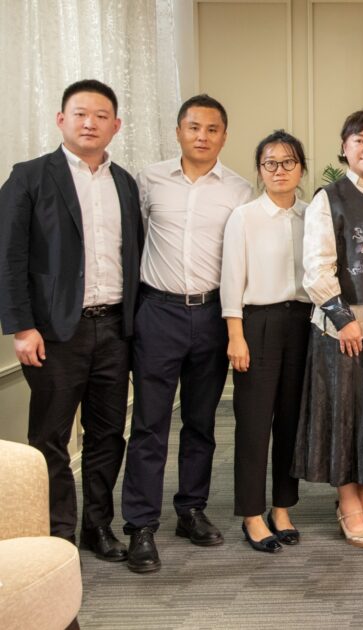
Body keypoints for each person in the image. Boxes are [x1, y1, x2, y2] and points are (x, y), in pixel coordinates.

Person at [0, 80, 141, 561]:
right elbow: (8, 256)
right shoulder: (30, 177)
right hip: (54, 332)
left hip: (115, 328)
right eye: (80, 114)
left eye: (101, 116)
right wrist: (22, 326)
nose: (89, 123)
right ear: (61, 120)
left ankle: (97, 526)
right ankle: (58, 531)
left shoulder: (125, 183)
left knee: (108, 433)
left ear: (115, 126)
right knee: (50, 437)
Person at [121, 94, 254, 573]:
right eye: (194, 127)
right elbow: (131, 242)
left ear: (224, 136)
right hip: (158, 312)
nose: (202, 136)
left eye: (212, 129)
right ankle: (140, 525)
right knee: (150, 423)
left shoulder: (239, 190)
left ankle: (191, 510)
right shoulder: (149, 180)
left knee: (200, 421)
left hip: (212, 314)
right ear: (178, 131)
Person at [292, 110, 363, 550]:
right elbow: (317, 267)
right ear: (344, 147)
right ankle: (348, 504)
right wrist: (343, 319)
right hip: (344, 329)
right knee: (344, 414)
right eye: (358, 140)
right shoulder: (330, 197)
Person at [220, 130, 312, 553]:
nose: (279, 170)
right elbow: (231, 281)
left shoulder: (312, 215)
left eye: (288, 162)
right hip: (257, 323)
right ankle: (252, 514)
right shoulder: (245, 217)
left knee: (291, 422)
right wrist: (235, 336)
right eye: (270, 163)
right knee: (255, 423)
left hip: (303, 324)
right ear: (259, 170)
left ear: (301, 168)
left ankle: (282, 507)